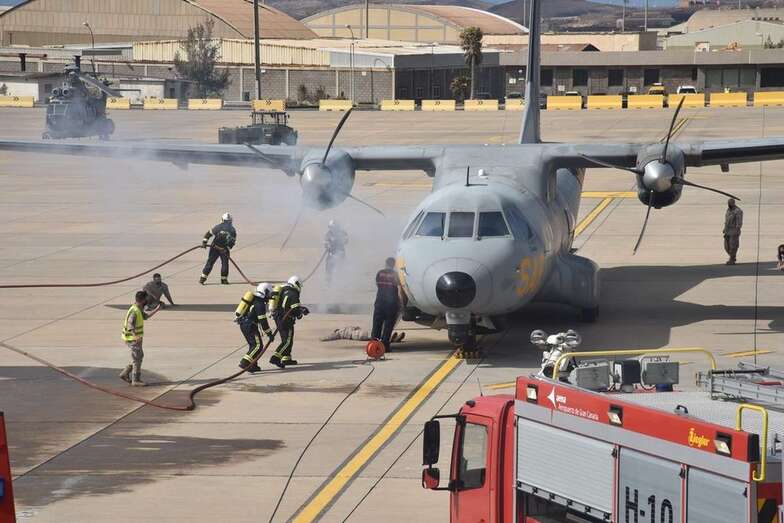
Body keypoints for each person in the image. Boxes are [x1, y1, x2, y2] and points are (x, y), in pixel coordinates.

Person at [120, 291, 160, 387]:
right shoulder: (134, 311)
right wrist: (135, 336)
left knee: (138, 357)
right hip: (132, 339)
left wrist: (157, 309)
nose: (147, 301)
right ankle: (135, 380)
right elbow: (130, 325)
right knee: (137, 358)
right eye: (146, 299)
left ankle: (125, 373)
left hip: (134, 339)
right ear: (142, 300)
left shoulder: (138, 308)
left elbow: (146, 316)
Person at [270, 276, 309, 369]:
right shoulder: (293, 293)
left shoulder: (283, 289)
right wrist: (303, 311)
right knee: (287, 340)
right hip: (286, 319)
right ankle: (275, 357)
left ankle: (286, 358)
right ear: (296, 283)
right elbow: (295, 308)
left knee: (286, 338)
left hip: (278, 317)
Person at [237, 283, 275, 373]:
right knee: (258, 346)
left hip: (245, 324)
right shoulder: (260, 303)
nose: (269, 296)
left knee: (253, 345)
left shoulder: (254, 299)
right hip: (250, 326)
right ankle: (245, 362)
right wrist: (269, 333)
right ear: (265, 292)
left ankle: (253, 365)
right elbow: (263, 321)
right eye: (269, 293)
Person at [372, 257, 402, 352]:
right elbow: (400, 288)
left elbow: (378, 285)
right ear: (394, 265)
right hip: (391, 303)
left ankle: (374, 345)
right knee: (388, 325)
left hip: (379, 302)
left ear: (386, 263)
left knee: (377, 324)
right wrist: (401, 302)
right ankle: (385, 346)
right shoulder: (395, 275)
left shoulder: (379, 273)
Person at [199, 213, 237, 285]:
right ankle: (224, 280)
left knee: (210, 262)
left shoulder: (218, 227)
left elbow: (208, 234)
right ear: (231, 221)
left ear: (222, 219)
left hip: (214, 248)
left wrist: (204, 242)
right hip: (224, 249)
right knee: (225, 264)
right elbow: (232, 242)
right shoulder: (232, 230)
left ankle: (202, 279)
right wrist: (227, 248)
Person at [324, 220, 348, 285]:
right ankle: (328, 282)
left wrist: (337, 240)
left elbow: (346, 240)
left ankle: (342, 282)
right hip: (331, 254)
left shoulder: (342, 233)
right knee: (328, 267)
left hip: (340, 253)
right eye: (330, 227)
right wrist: (327, 245)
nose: (331, 229)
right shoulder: (328, 234)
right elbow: (325, 243)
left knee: (341, 267)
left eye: (332, 227)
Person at [723, 199, 743, 265]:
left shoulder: (738, 211)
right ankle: (732, 257)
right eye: (728, 203)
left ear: (733, 203)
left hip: (734, 230)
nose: (729, 204)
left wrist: (737, 229)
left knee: (733, 246)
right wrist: (724, 229)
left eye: (730, 203)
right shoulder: (728, 210)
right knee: (726, 246)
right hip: (727, 230)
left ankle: (732, 259)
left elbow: (739, 222)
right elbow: (726, 220)